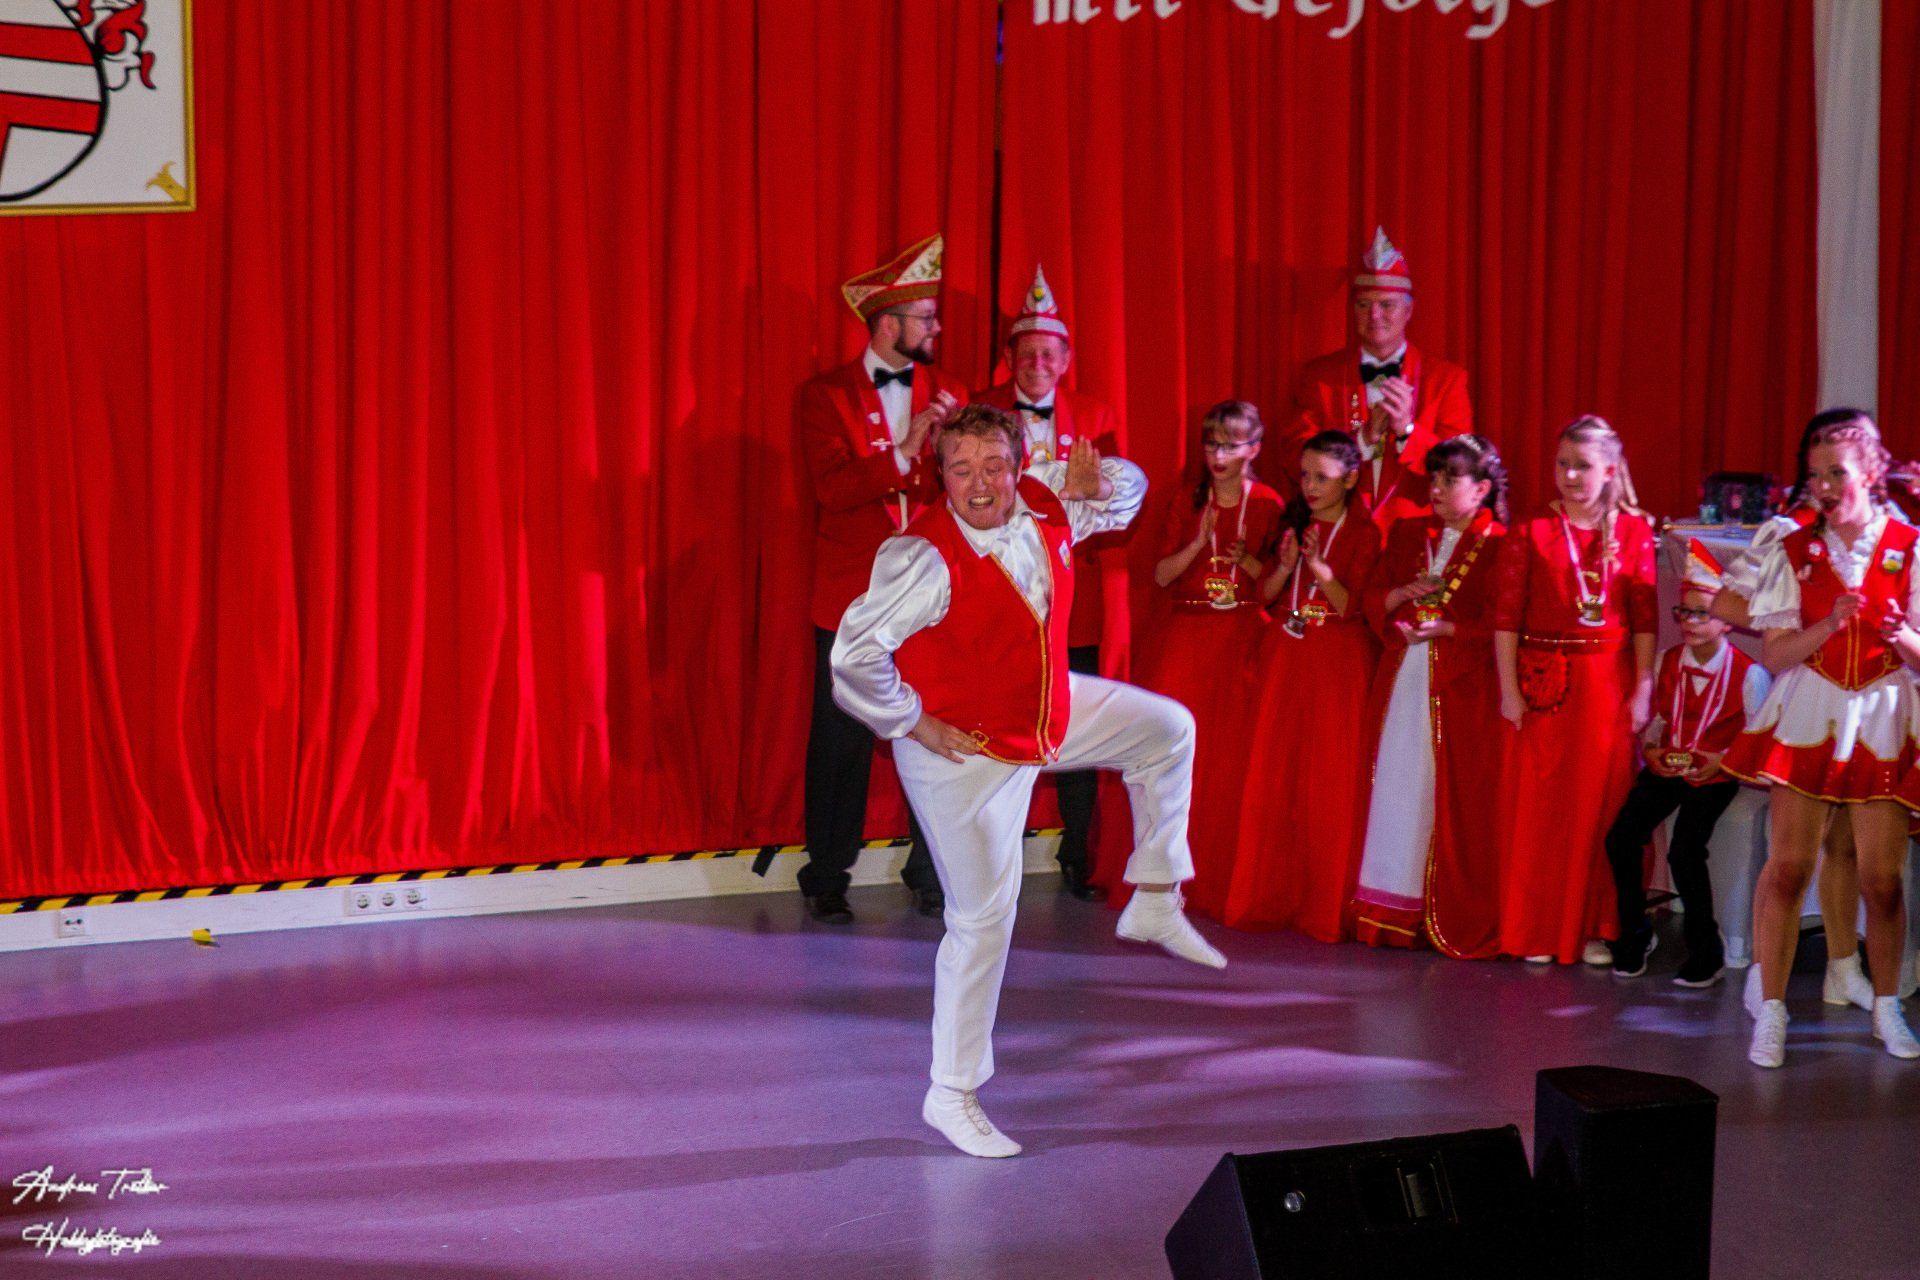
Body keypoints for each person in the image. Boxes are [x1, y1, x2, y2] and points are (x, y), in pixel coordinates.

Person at [831, 404, 1226, 1158]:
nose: (979, 484)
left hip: (1043, 711)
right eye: (960, 469)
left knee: (1168, 729)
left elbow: (1128, 492)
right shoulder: (921, 557)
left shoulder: (1048, 503)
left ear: (1019, 467)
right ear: (939, 476)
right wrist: (912, 721)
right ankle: (951, 1092)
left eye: (993, 466)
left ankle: (1154, 895)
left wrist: (1099, 481)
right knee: (982, 920)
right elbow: (853, 657)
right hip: (963, 753)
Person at [1722, 417, 1920, 1067]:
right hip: (1811, 713)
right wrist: (1828, 625)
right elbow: (1776, 653)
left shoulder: (1909, 545)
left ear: (1871, 471)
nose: (1825, 486)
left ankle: (1886, 1006)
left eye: (1838, 472)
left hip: (1883, 717)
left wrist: (1899, 634)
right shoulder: (1793, 547)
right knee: (1788, 867)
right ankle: (1772, 1010)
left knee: (1882, 879)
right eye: (1816, 474)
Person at [795, 234, 967, 925]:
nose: (936, 328)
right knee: (839, 740)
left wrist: (950, 453)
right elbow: (832, 489)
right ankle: (826, 873)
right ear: (888, 324)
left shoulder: (950, 395)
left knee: (934, 728)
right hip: (851, 599)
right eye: (925, 317)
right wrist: (904, 451)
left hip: (927, 596)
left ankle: (932, 871)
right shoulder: (825, 396)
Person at [973, 265, 1127, 900]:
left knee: (1077, 724)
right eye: (1027, 352)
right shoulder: (980, 411)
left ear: (1065, 361)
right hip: (999, 597)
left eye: (1049, 353)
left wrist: (1097, 488)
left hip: (1072, 599)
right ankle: (958, 866)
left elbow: (1116, 502)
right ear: (1010, 358)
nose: (1038, 363)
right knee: (982, 725)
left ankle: (1079, 857)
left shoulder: (1095, 413)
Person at [1492, 416, 1658, 966]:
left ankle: (1594, 925)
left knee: (1600, 809)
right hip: (1544, 684)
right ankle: (1537, 926)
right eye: (1562, 464)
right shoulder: (1531, 530)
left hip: (1606, 687)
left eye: (1582, 466)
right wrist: (1509, 690)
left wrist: (1643, 688)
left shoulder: (1634, 532)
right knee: (1541, 810)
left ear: (1609, 470)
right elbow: (1505, 618)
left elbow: (1645, 621)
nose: (1568, 475)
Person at [1351, 435, 1510, 957]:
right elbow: (1372, 596)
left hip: (1462, 691)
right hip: (1402, 677)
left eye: (1450, 479)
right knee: (1395, 787)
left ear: (1482, 489)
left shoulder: (1501, 544)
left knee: (1444, 794)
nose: (1436, 488)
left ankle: (1438, 910)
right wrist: (1400, 597)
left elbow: (1506, 625)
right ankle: (1387, 911)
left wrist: (1449, 630)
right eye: (1433, 478)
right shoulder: (1408, 532)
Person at [1226, 430, 1381, 938]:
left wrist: (1319, 569)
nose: (1310, 487)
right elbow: (1267, 594)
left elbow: (1352, 606)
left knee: (1330, 778)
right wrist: (1289, 566)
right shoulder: (1297, 524)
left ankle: (1326, 903)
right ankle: (1273, 893)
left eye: (1322, 477)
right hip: (1288, 654)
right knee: (1277, 773)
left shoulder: (1366, 533)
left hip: (1337, 657)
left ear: (1351, 479)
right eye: (1305, 477)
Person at [1136, 401, 1284, 919]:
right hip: (1189, 639)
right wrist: (1198, 543)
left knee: (1230, 763)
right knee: (1178, 760)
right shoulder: (1187, 499)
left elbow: (1274, 587)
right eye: (1212, 445)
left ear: (1254, 449)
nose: (1218, 456)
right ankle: (1165, 877)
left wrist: (1250, 562)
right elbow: (1161, 575)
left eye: (1230, 446)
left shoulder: (1269, 503)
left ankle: (1222, 878)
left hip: (1241, 637)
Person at [1602, 542, 1768, 985]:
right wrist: (1651, 752)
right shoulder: (1668, 661)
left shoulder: (1750, 674)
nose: (1690, 623)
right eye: (1683, 613)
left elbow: (1758, 741)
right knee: (1620, 838)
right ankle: (1634, 933)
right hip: (1670, 768)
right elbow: (1658, 721)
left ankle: (1705, 948)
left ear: (1728, 621)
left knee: (1685, 851)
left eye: (1702, 613)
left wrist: (1722, 763)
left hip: (1715, 774)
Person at [1280, 227, 1472, 532]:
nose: (1374, 315)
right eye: (1364, 305)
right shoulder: (1320, 377)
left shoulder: (1446, 380)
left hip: (1417, 534)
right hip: (1338, 533)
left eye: (1386, 305)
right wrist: (1361, 440)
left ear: (1408, 310)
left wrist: (1407, 431)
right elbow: (1295, 458)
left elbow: (1462, 469)